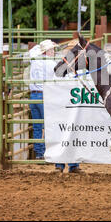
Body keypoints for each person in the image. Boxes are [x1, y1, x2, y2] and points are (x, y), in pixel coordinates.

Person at [29, 39, 82, 173]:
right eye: (52, 49)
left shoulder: (34, 60)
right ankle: (69, 163)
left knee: (38, 126)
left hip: (34, 94)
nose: (54, 51)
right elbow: (62, 78)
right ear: (47, 51)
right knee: (57, 128)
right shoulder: (52, 64)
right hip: (49, 96)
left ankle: (41, 154)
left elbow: (32, 51)